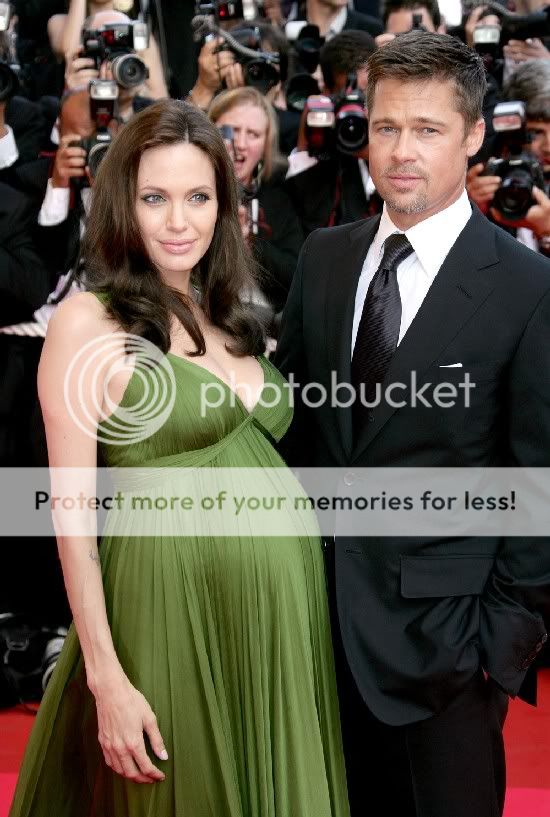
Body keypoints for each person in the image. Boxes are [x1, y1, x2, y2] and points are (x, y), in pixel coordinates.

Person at [8, 98, 350, 817]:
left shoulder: (227, 314)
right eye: (154, 198)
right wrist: (104, 675)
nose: (178, 221)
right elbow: (71, 519)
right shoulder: (88, 322)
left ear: (224, 208)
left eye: (198, 197)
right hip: (164, 606)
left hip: (280, 623)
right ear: (121, 205)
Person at [275, 30, 550, 817]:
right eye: (386, 126)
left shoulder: (528, 286)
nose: (401, 151)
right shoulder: (324, 259)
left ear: (473, 135)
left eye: (428, 129)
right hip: (310, 640)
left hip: (444, 658)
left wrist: (494, 647)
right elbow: (299, 434)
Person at [208, 87, 304, 333]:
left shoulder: (278, 197)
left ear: (265, 146)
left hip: (260, 328)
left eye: (253, 134)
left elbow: (296, 276)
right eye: (231, 130)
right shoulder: (187, 190)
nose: (240, 144)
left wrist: (250, 242)